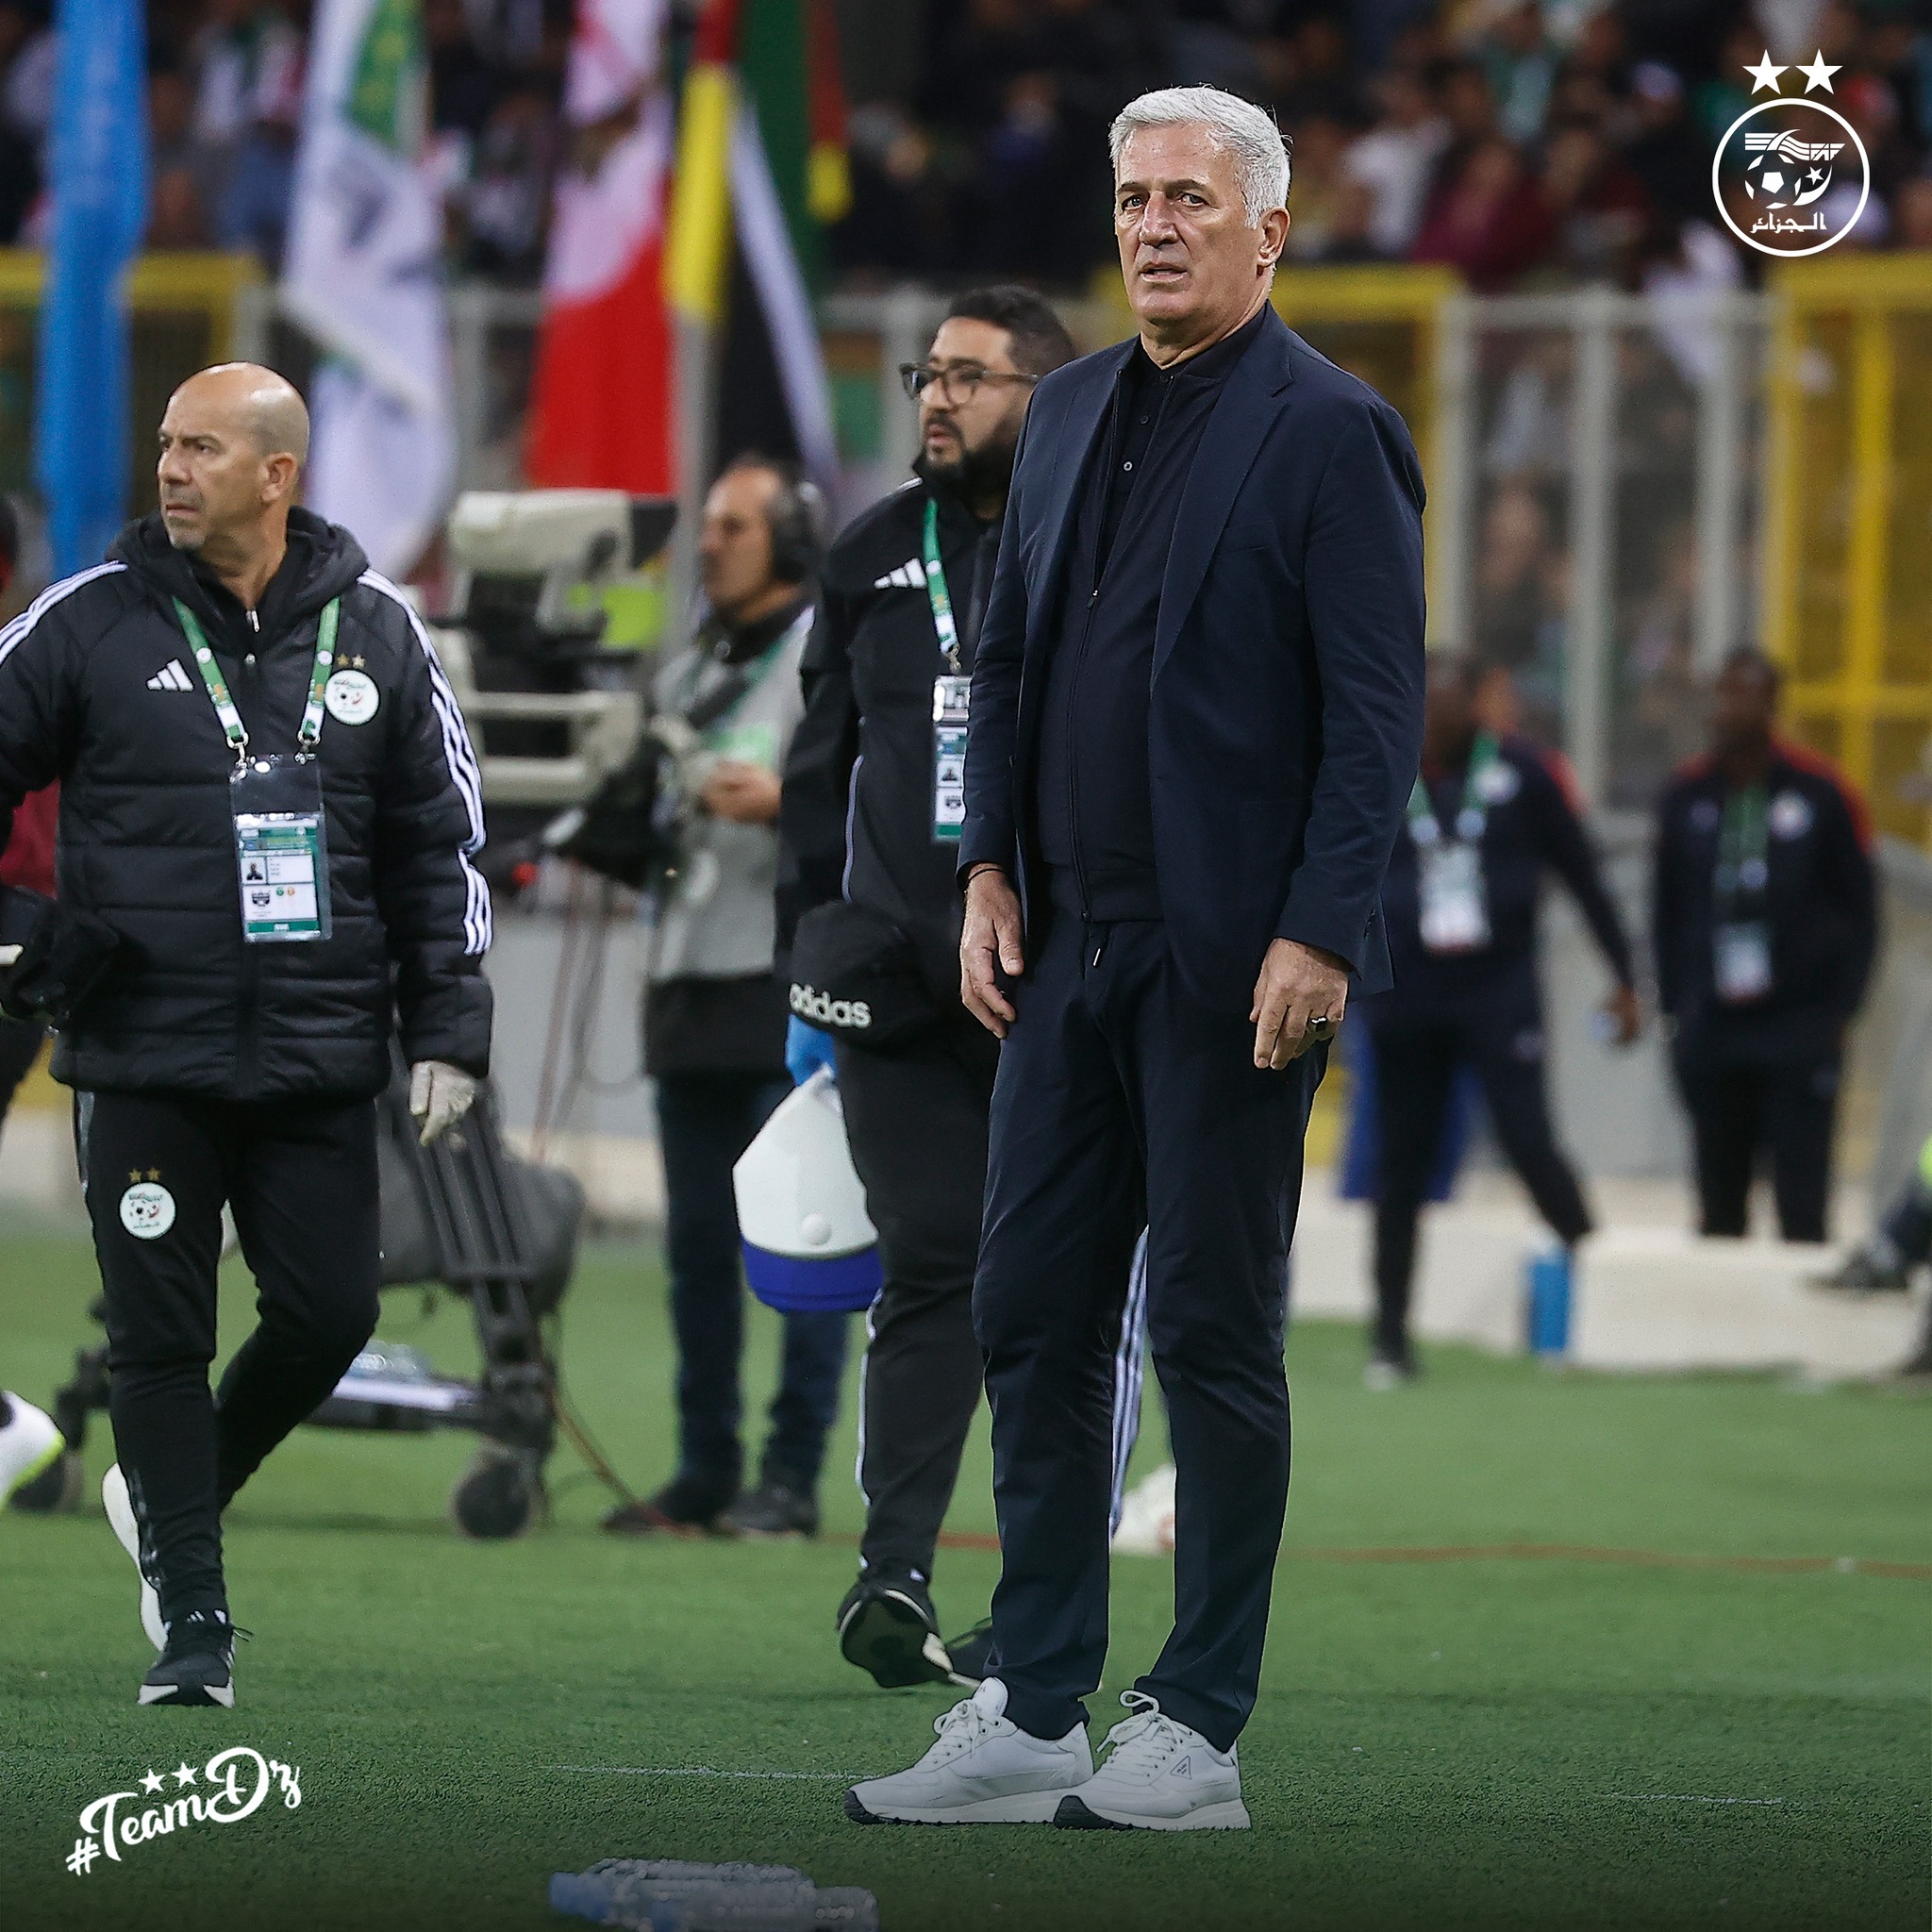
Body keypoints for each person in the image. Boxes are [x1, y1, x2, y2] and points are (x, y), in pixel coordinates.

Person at [848, 86, 1425, 1831]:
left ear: (1270, 230)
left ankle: (1196, 1724)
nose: (1154, 225)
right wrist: (982, 867)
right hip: (1059, 947)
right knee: (1029, 1313)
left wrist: (1319, 927)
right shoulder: (1073, 405)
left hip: (1233, 960)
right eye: (1131, 198)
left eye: (1189, 198)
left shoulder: (1335, 431)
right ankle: (1034, 1704)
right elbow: (1009, 664)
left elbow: (1373, 715)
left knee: (1211, 1332)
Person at [0, 364, 491, 1707]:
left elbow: (439, 848)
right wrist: (25, 937)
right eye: (166, 443)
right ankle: (195, 1624)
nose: (171, 468)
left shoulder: (382, 632)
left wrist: (450, 1029)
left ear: (279, 474)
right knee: (158, 1338)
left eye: (202, 448)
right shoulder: (89, 619)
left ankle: (172, 1494)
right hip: (142, 1051)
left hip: (317, 1054)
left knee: (331, 1313)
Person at [776, 287, 1077, 1688]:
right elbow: (815, 771)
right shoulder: (869, 554)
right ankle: (890, 1571)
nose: (937, 400)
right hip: (897, 984)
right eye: (928, 375)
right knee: (930, 1262)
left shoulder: (1091, 540)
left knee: (1056, 1288)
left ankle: (1039, 1599)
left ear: (1042, 398)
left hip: (1055, 983)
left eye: (969, 377)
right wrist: (805, 950)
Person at [602, 456, 850, 1541]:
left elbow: (882, 794)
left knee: (803, 1245)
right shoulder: (686, 672)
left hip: (785, 982)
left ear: (790, 542)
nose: (708, 543)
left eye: (734, 526)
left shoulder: (828, 655)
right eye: (707, 524)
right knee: (696, 1252)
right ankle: (704, 1464)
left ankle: (788, 1475)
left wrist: (784, 800)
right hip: (686, 985)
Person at [1359, 650, 1641, 1385]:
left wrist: (1624, 975)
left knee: (1528, 1140)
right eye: (1426, 701)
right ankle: (1389, 1336)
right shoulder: (1379, 765)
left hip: (1498, 990)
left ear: (1476, 706)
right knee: (1402, 1164)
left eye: (1451, 702)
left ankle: (1595, 1286)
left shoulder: (1525, 772)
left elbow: (1582, 873)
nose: (1436, 717)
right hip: (1407, 993)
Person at [1654, 647, 1877, 1242]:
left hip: (1797, 1025)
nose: (1730, 710)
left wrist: (1841, 1009)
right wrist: (1675, 1009)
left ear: (1772, 704)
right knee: (1718, 1199)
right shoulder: (1688, 795)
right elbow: (1666, 912)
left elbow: (1861, 910)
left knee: (1802, 1199)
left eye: (1745, 695)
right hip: (1714, 1022)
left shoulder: (1821, 792)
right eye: (1723, 695)